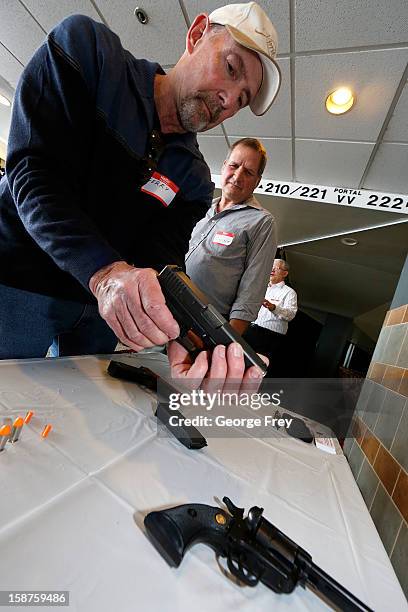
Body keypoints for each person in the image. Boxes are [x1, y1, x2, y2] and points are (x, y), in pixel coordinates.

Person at [0, 2, 281, 385]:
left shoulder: (194, 178)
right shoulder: (89, 52)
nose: (229, 100)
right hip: (17, 281)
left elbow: (157, 260)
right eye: (231, 69)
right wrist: (104, 273)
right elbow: (34, 173)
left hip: (98, 312)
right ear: (197, 34)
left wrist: (182, 335)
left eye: (243, 98)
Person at [185, 138, 277, 336]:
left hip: (202, 328)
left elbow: (252, 290)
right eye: (234, 166)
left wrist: (224, 342)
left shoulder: (262, 222)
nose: (238, 175)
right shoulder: (201, 206)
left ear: (257, 181)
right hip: (162, 307)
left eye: (248, 172)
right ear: (224, 166)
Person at [244, 259, 297, 375]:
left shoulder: (289, 292)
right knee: (240, 360)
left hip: (270, 336)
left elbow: (291, 315)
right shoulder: (261, 286)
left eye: (276, 268)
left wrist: (273, 307)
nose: (272, 269)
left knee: (257, 368)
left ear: (285, 273)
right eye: (271, 266)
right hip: (251, 328)